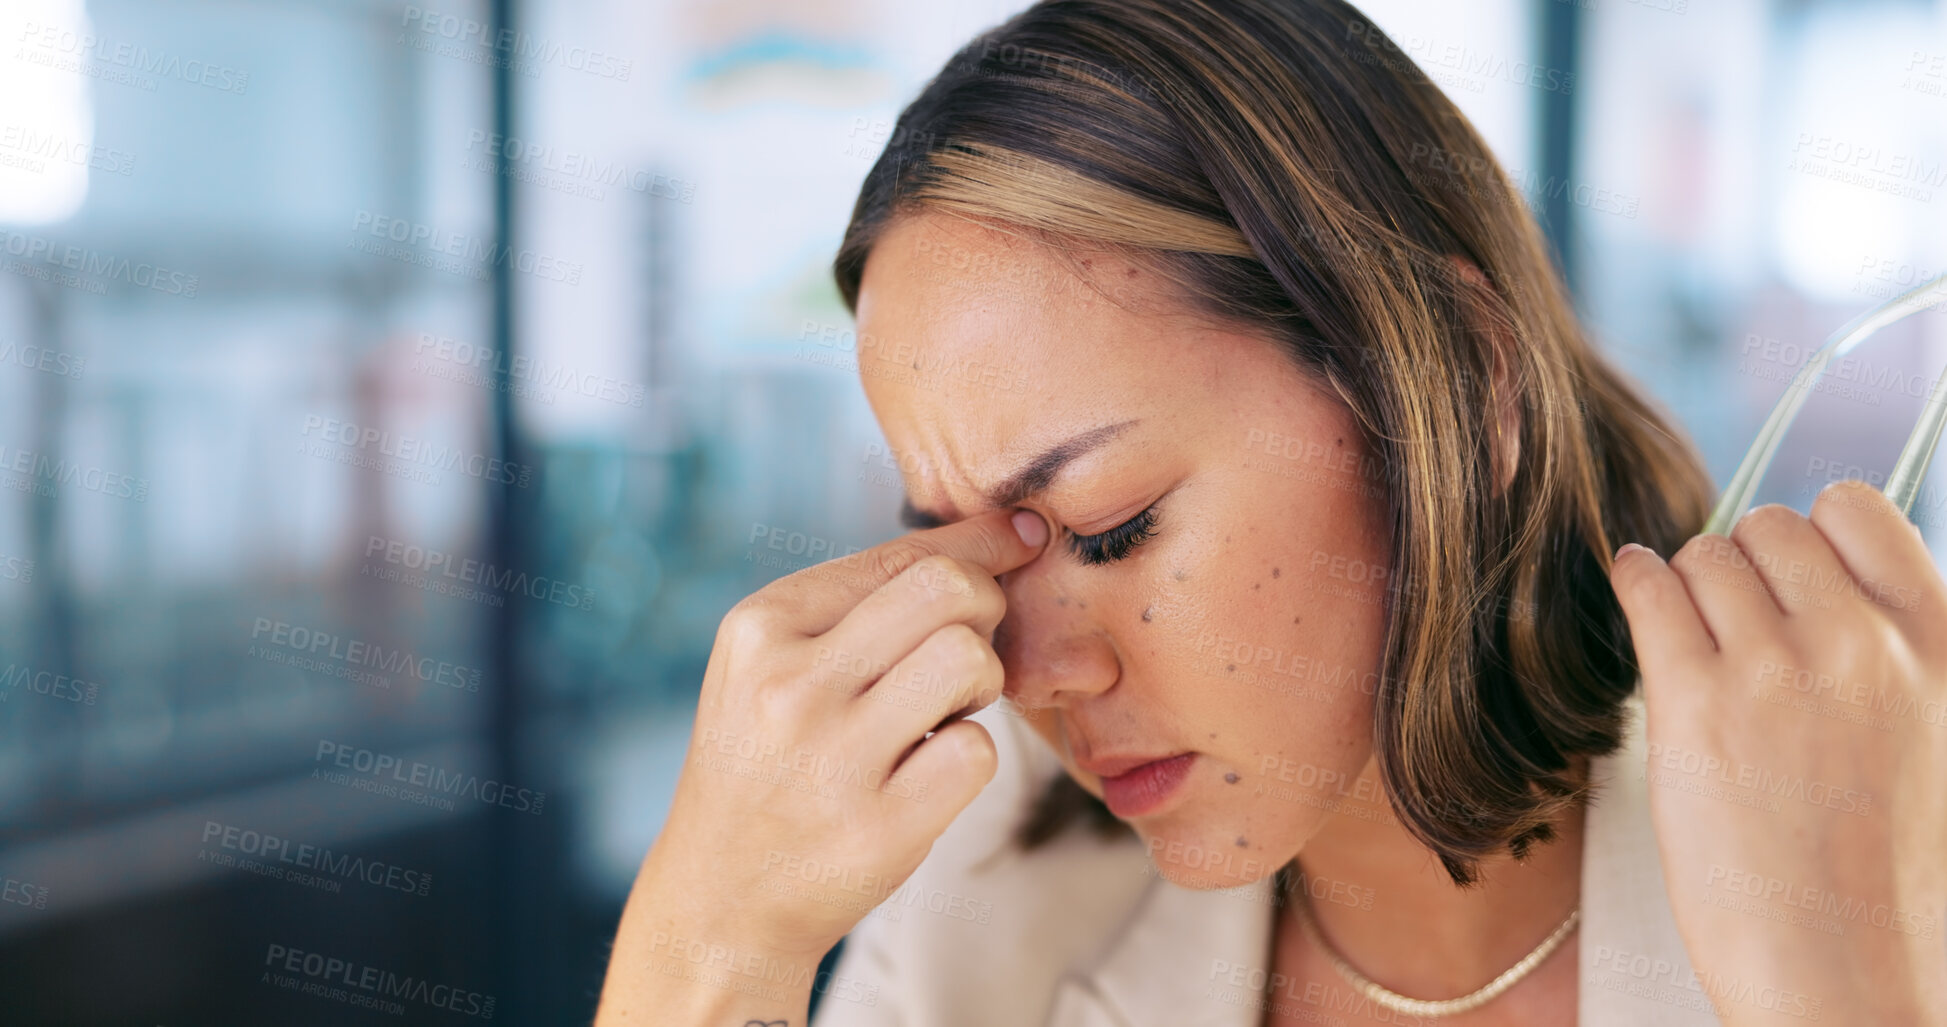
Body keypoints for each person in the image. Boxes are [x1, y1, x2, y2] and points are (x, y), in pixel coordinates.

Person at [595, 1, 1947, 1023]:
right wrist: (707, 943)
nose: (1038, 678)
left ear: (1463, 389)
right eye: (974, 557)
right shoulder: (987, 891)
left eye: (1114, 526)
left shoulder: (1882, 835)